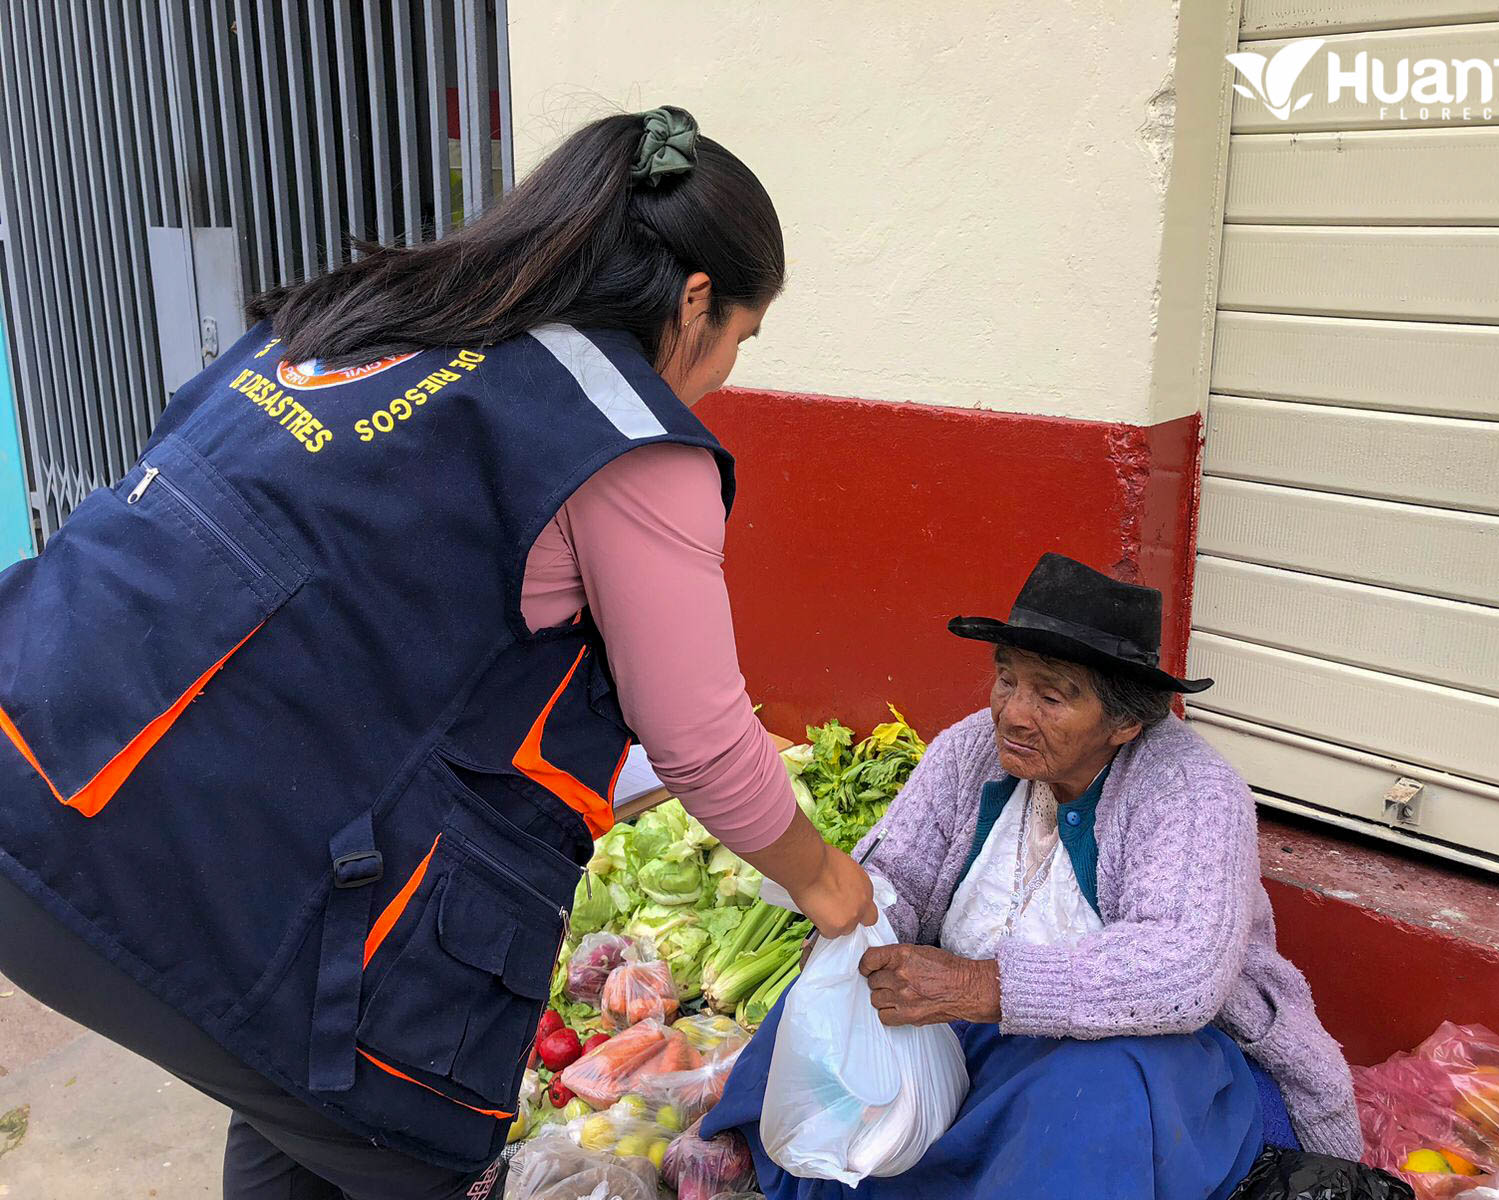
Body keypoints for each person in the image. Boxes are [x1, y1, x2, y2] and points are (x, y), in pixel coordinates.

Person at [0, 106, 875, 1199]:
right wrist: (836, 889)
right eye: (741, 340)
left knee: (298, 1105)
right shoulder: (626, 441)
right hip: (176, 890)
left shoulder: (355, 320)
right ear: (694, 299)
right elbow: (702, 741)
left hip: (40, 779)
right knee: (399, 1141)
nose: (725, 374)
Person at [705, 553, 1363, 1200]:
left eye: (1051, 696)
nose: (1014, 713)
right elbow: (898, 866)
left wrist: (983, 985)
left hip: (1144, 1056)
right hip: (974, 1029)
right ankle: (756, 1156)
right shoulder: (969, 750)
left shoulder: (1191, 788)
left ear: (1125, 721)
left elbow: (1184, 970)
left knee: (1088, 1096)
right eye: (1006, 680)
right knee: (826, 994)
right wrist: (870, 930)